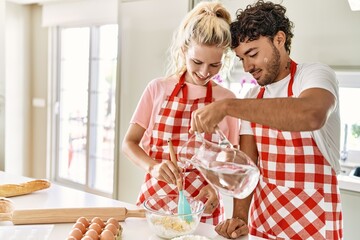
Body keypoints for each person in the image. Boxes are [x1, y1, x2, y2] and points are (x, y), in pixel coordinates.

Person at [190, 1, 343, 239]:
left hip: (313, 225)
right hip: (263, 224)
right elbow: (248, 166)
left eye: (253, 54)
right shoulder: (253, 97)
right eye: (241, 58)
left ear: (279, 40)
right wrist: (239, 218)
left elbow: (311, 114)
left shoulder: (313, 75)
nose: (248, 66)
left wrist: (228, 106)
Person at [121, 1, 239, 225]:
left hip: (203, 209)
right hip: (156, 202)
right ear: (184, 49)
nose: (205, 72)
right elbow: (129, 144)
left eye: (215, 65)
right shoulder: (158, 89)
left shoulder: (227, 101)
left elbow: (230, 163)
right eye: (197, 62)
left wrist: (216, 187)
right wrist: (154, 167)